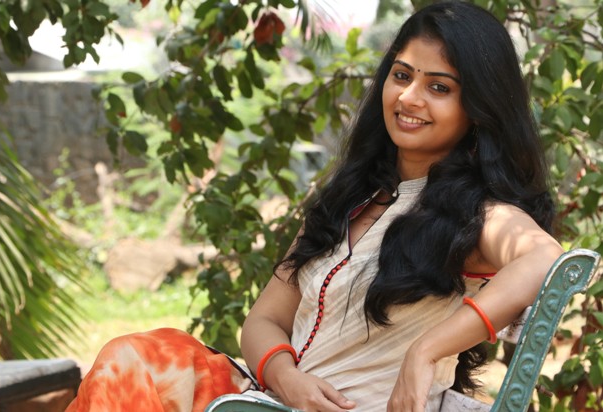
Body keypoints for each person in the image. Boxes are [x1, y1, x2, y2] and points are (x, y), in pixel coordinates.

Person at [66, 2, 564, 411]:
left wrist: (425, 351)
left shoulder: (475, 213)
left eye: (439, 87)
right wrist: (287, 379)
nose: (409, 97)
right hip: (271, 398)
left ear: (477, 109)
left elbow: (545, 258)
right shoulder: (350, 200)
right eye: (401, 75)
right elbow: (263, 320)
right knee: (132, 359)